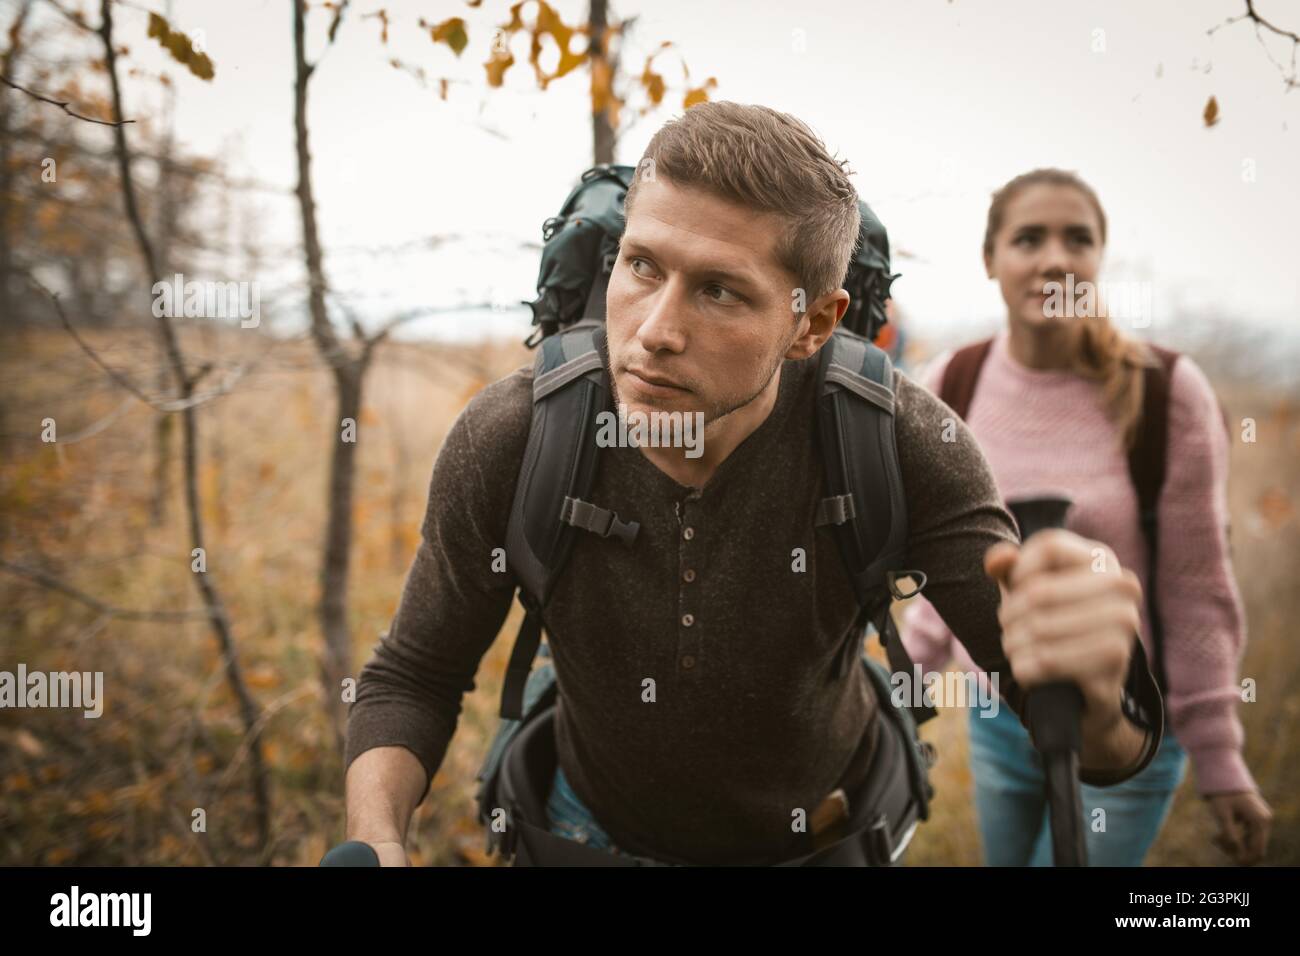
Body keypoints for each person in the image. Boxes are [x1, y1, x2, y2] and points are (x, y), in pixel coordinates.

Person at [341, 105, 1163, 867]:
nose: (655, 332)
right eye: (641, 266)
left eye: (719, 290)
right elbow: (414, 675)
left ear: (812, 323)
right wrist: (374, 840)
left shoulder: (900, 441)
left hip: (824, 839)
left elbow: (1101, 750)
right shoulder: (518, 435)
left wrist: (1092, 693)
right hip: (580, 831)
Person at [900, 168, 1273, 866]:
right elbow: (941, 562)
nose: (1055, 258)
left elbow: (1197, 591)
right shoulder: (953, 382)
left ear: (1100, 256)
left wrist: (1220, 759)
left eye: (1078, 239)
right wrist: (901, 691)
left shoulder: (1164, 392)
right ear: (991, 260)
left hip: (1128, 717)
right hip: (998, 710)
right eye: (1028, 238)